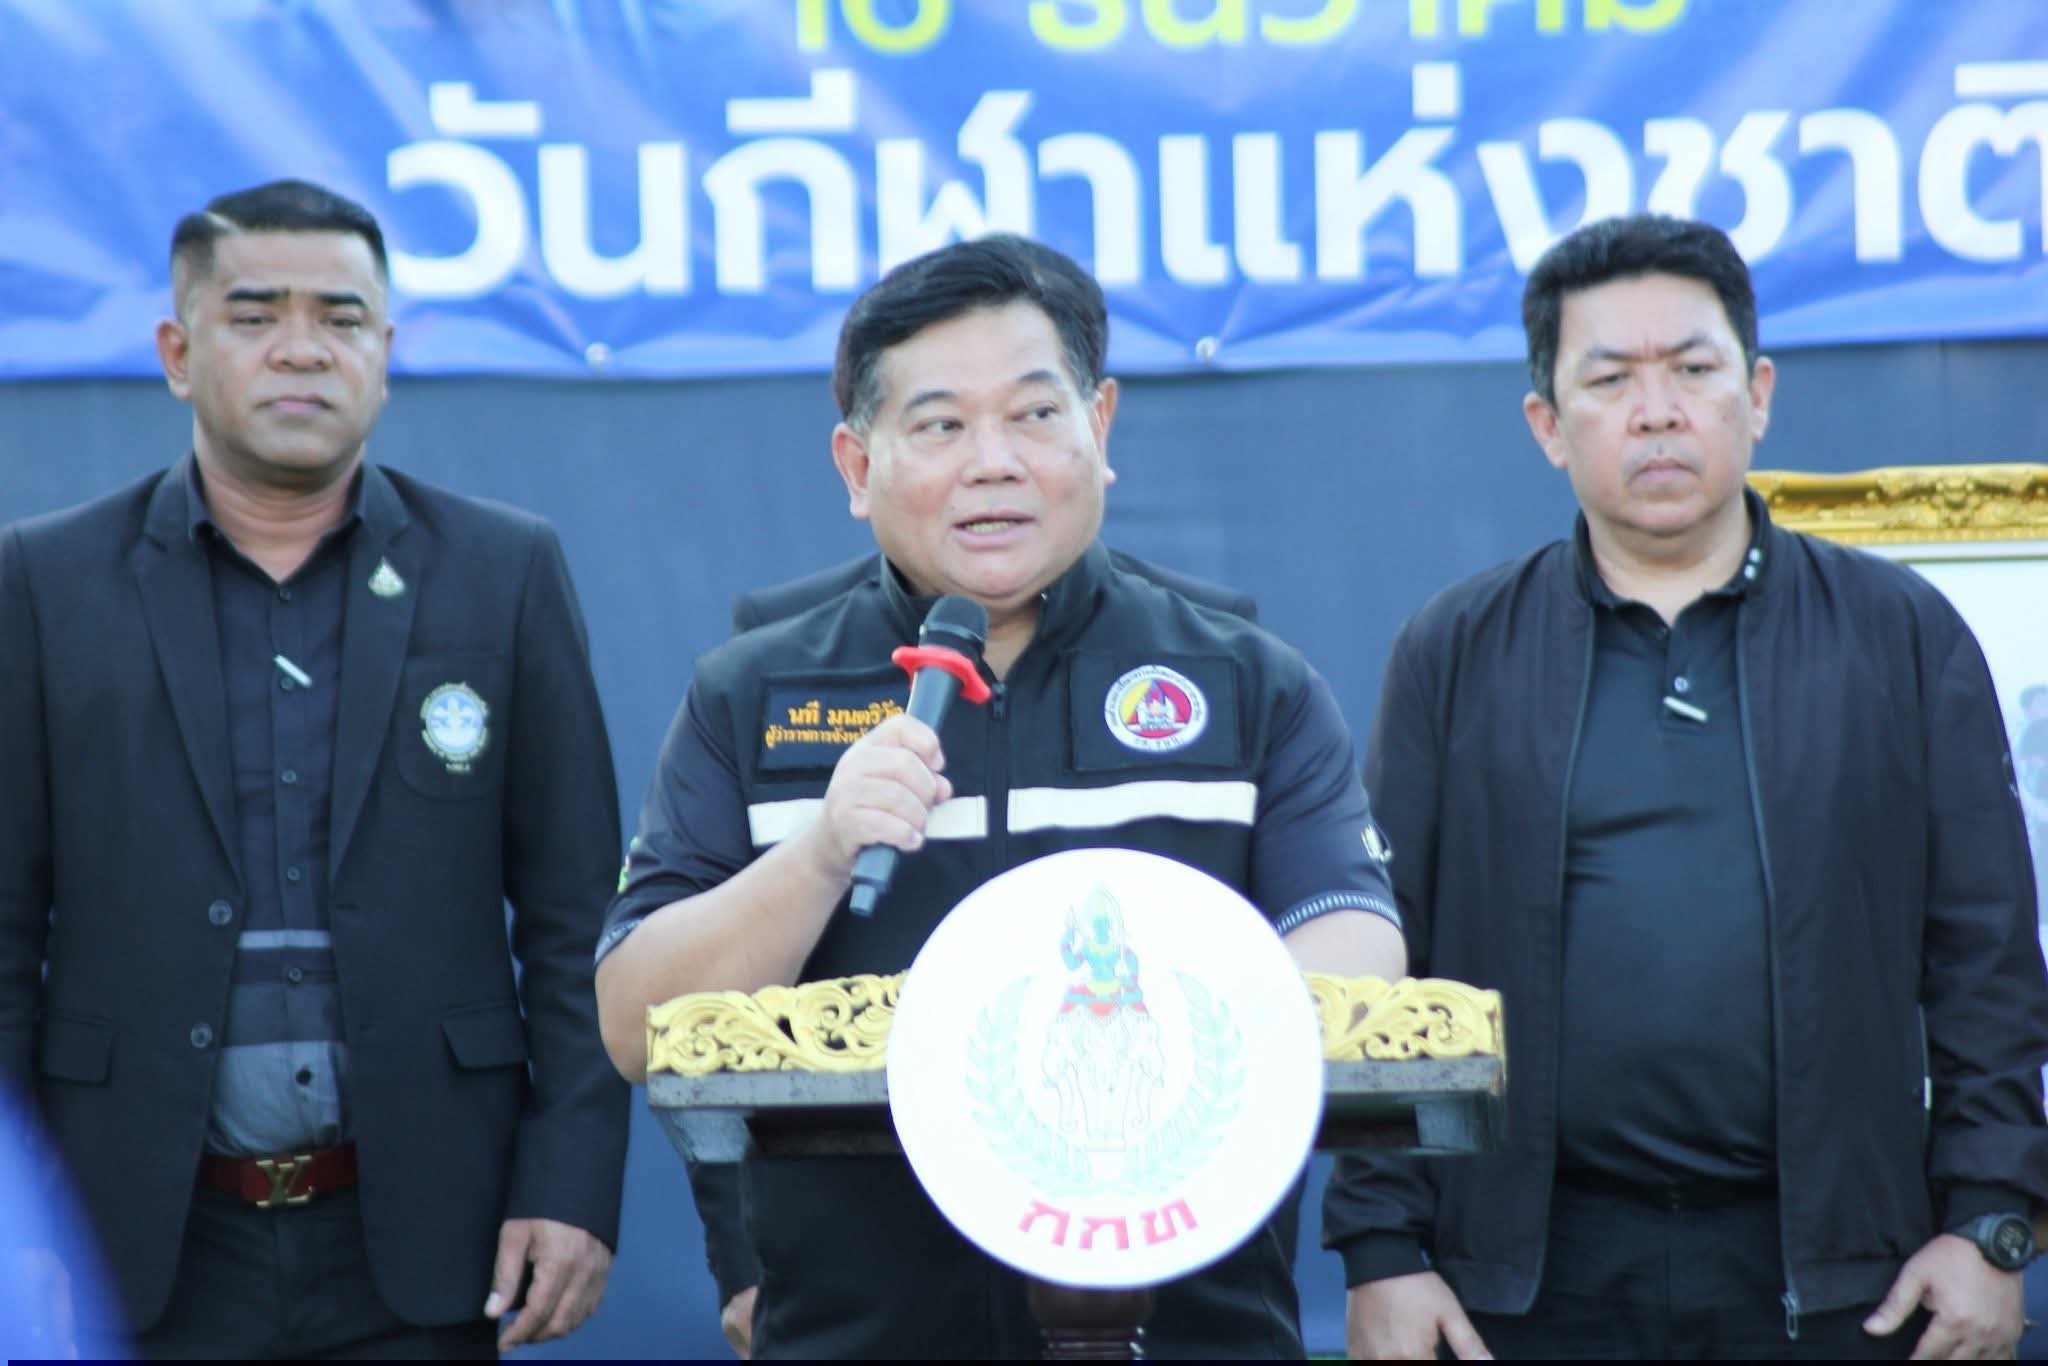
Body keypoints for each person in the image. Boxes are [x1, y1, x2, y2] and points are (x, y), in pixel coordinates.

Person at [594, 233, 1406, 1358]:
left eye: (1034, 414)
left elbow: (1354, 947)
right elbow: (636, 1023)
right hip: (863, 1334)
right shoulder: (751, 693)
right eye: (939, 426)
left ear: (1100, 428)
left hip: (1193, 1328)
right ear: (857, 465)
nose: (994, 462)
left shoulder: (1243, 681)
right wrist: (820, 852)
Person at [1323, 214, 2048, 1360]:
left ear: (1755, 395)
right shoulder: (1455, 649)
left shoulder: (1896, 635)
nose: (1655, 409)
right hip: (1526, 1277)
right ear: (1546, 424)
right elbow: (1386, 964)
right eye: (1608, 378)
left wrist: (1988, 1222)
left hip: (1838, 1269)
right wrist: (1381, 1247)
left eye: (1693, 370)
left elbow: (1985, 958)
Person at [0, 180, 629, 1357]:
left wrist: (572, 1181)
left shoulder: (502, 571)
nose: (302, 348)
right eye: (255, 316)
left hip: (427, 1237)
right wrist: (13, 1215)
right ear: (178, 353)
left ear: (385, 352)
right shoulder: (44, 582)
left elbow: (577, 916)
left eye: (340, 319)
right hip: (129, 1241)